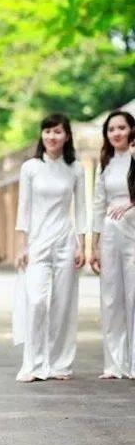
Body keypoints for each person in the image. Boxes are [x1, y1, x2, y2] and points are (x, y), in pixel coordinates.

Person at [14, 114, 87, 382]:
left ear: (66, 136)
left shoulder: (76, 168)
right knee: (36, 302)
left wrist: (82, 245)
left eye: (57, 132)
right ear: (42, 135)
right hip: (37, 243)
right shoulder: (31, 167)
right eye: (47, 131)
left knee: (63, 304)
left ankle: (60, 364)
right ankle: (32, 365)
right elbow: (23, 208)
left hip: (66, 242)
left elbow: (81, 209)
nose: (51, 136)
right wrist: (21, 246)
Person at [90, 110, 135, 379]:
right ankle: (114, 364)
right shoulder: (104, 164)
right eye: (111, 129)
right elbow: (98, 204)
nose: (116, 133)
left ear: (131, 130)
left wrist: (130, 203)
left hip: (133, 234)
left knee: (133, 296)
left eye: (121, 128)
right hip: (109, 235)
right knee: (111, 299)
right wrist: (93, 245)